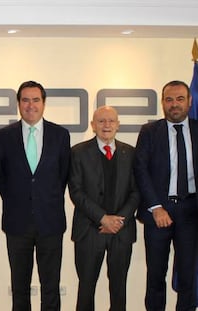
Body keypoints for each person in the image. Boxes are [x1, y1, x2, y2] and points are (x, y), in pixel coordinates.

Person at [0, 80, 70, 310]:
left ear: (43, 103)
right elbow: (0, 177)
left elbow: (63, 175)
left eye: (36, 99)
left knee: (51, 287)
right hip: (17, 224)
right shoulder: (4, 136)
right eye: (25, 100)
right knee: (19, 288)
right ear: (18, 104)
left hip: (51, 223)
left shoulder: (60, 135)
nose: (30, 105)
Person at [134, 80, 198, 311]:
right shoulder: (150, 132)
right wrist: (155, 206)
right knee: (156, 276)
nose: (174, 105)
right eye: (169, 99)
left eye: (180, 99)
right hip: (158, 213)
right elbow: (140, 170)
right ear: (162, 103)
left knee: (189, 277)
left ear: (190, 101)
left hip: (191, 213)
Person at [68, 106, 139, 311]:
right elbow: (76, 191)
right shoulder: (78, 153)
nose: (106, 125)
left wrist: (119, 220)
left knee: (119, 289)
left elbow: (136, 192)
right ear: (93, 125)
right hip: (89, 231)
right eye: (101, 121)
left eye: (110, 121)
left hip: (121, 231)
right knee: (86, 288)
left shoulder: (131, 153)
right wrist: (103, 218)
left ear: (118, 125)